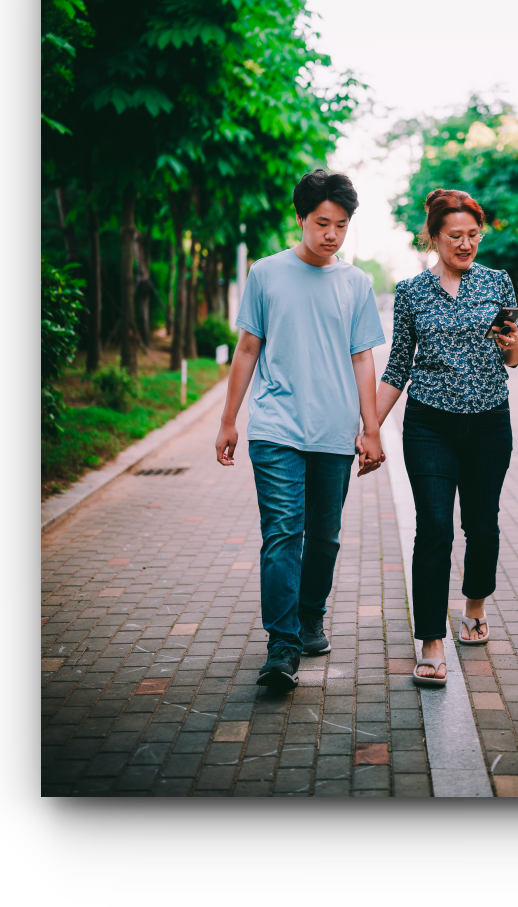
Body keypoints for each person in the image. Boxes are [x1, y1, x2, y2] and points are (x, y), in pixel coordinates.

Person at [215, 170, 385, 692]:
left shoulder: (356, 283)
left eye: (341, 224)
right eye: (322, 223)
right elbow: (248, 348)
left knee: (325, 537)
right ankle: (282, 646)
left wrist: (371, 428)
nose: (332, 234)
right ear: (300, 219)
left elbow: (362, 358)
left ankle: (311, 615)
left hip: (333, 431)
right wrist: (228, 420)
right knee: (283, 533)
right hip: (275, 428)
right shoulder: (266, 273)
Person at [376, 188, 518, 685]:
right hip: (429, 425)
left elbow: (513, 358)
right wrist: (369, 427)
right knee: (434, 528)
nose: (465, 244)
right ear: (434, 238)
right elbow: (397, 367)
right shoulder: (411, 292)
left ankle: (475, 606)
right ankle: (431, 641)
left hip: (488, 422)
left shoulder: (498, 283)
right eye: (455, 235)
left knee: (482, 525)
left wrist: (512, 344)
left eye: (473, 235)